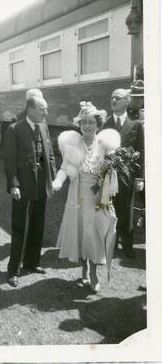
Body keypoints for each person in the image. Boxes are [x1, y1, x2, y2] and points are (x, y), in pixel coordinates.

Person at [52, 102, 120, 292]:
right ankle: (83, 269)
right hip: (78, 196)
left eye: (91, 122)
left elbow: (111, 172)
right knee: (80, 233)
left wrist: (105, 184)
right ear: (79, 125)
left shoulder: (106, 145)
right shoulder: (72, 145)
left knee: (94, 235)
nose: (88, 126)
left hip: (98, 197)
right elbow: (64, 168)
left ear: (98, 124)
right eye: (84, 123)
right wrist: (58, 182)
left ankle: (93, 273)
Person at [4, 96, 56, 287]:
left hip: (41, 187)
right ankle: (13, 270)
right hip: (23, 188)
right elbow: (9, 160)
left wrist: (53, 178)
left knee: (37, 226)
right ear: (31, 110)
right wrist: (13, 184)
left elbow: (49, 155)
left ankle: (31, 263)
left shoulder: (43, 126)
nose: (46, 113)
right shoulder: (15, 129)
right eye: (43, 109)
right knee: (20, 229)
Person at [102, 88, 144, 258]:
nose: (113, 101)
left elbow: (141, 151)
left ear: (127, 101)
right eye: (112, 98)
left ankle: (127, 246)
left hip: (127, 178)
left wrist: (140, 177)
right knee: (106, 209)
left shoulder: (136, 125)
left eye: (117, 98)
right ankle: (108, 244)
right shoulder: (104, 125)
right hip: (107, 176)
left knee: (125, 211)